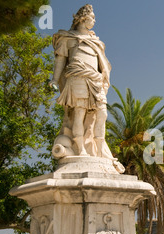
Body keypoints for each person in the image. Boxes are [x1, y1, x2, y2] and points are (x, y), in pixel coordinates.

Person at [50, 4, 115, 161]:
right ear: (82, 19)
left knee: (102, 114)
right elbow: (60, 60)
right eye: (92, 18)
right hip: (77, 77)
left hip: (95, 80)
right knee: (79, 113)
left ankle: (99, 149)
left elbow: (102, 65)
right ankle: (80, 149)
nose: (94, 21)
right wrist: (54, 79)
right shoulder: (68, 38)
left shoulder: (96, 42)